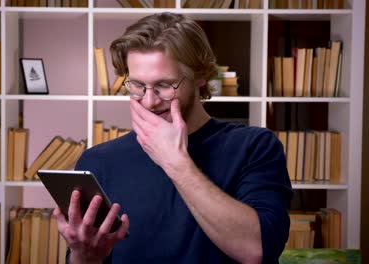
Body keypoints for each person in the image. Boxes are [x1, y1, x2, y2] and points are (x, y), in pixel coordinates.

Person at [54, 12, 293, 264]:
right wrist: (83, 255)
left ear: (200, 76)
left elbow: (256, 250)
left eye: (164, 85)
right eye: (136, 85)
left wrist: (175, 162)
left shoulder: (255, 146)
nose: (149, 100)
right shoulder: (98, 160)